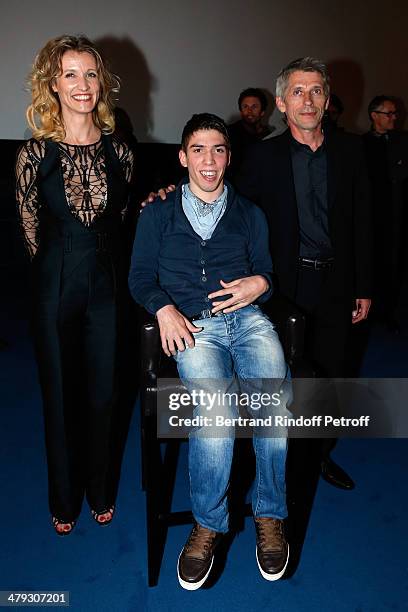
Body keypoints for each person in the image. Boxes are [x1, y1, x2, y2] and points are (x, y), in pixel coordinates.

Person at [129, 113, 291, 589]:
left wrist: (261, 283)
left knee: (273, 404)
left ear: (228, 157)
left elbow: (266, 273)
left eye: (218, 149)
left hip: (247, 321)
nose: (208, 158)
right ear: (182, 157)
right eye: (198, 149)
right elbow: (139, 277)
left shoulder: (249, 214)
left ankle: (270, 515)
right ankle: (208, 523)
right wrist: (162, 309)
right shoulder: (158, 212)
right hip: (193, 326)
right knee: (215, 409)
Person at [234, 57, 372, 490]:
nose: (307, 100)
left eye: (316, 91)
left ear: (327, 100)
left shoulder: (353, 152)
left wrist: (364, 285)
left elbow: (367, 223)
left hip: (337, 282)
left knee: (331, 374)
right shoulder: (260, 158)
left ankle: (317, 456)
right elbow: (233, 215)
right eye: (297, 91)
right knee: (275, 378)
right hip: (282, 286)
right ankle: (272, 461)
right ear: (281, 102)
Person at [16, 35, 133, 535]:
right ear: (52, 84)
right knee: (60, 396)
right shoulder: (32, 155)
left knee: (105, 394)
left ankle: (100, 489)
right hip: (54, 286)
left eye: (90, 74)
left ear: (101, 83)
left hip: (108, 288)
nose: (82, 85)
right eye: (70, 74)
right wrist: (59, 274)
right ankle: (64, 499)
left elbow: (121, 222)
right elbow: (30, 233)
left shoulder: (121, 152)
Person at [362, 96, 408, 331]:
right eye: (388, 113)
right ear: (374, 115)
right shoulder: (361, 144)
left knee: (394, 263)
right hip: (372, 216)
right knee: (372, 262)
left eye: (395, 113)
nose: (393, 118)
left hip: (397, 214)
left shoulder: (402, 141)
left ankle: (387, 311)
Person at [228, 88, 272, 173]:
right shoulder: (230, 133)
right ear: (240, 111)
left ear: (262, 111)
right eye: (245, 106)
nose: (249, 111)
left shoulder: (269, 135)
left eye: (254, 107)